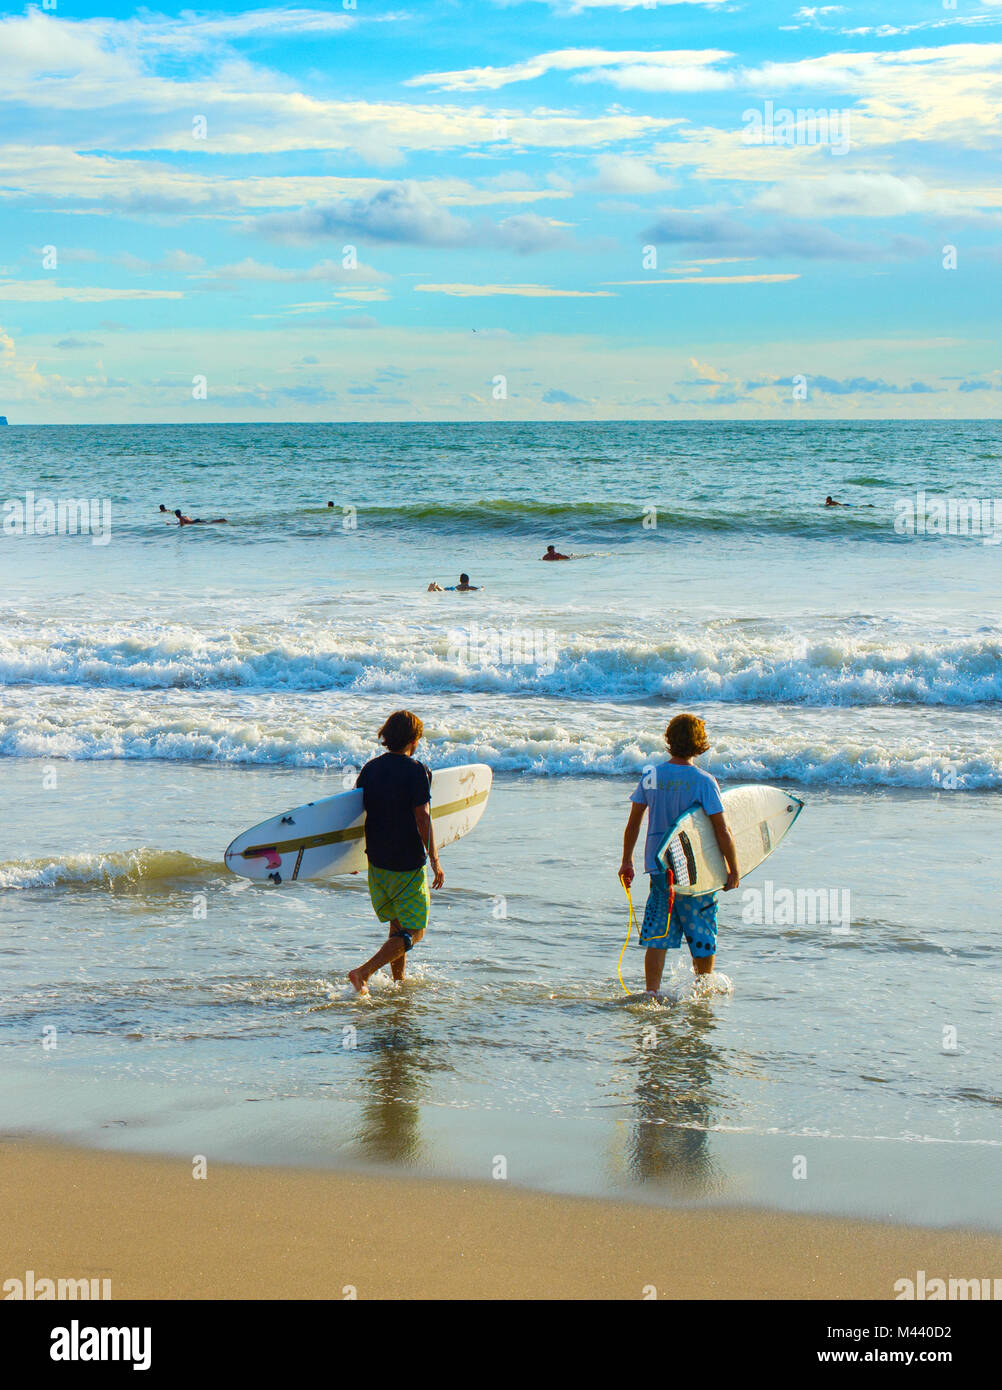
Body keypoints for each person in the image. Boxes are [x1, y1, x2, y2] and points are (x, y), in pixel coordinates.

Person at [619, 713, 739, 993]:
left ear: (669, 741)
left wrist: (627, 861)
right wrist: (733, 869)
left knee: (658, 934)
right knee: (702, 932)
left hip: (660, 870)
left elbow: (633, 821)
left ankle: (652, 993)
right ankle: (702, 990)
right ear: (700, 743)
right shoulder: (704, 781)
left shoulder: (651, 776)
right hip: (696, 874)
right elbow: (722, 831)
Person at [348, 710, 444, 996]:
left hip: (376, 861)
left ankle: (398, 984)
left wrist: (347, 856)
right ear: (413, 739)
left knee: (397, 927)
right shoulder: (417, 771)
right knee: (415, 931)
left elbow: (354, 812)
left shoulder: (370, 769)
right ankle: (362, 972)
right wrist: (436, 861)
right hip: (406, 863)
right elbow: (423, 818)